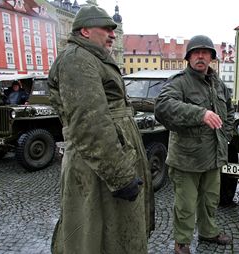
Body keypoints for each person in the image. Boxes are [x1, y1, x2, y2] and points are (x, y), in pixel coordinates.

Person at [47, 6, 153, 254]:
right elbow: (89, 124)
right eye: (105, 28)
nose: (112, 34)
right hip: (97, 169)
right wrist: (121, 177)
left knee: (114, 233)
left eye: (113, 29)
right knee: (93, 235)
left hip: (108, 162)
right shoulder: (77, 59)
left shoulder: (92, 58)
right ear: (84, 30)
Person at [155, 35, 235, 254]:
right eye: (196, 53)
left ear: (211, 57)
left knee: (210, 200)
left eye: (205, 52)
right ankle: (182, 242)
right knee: (186, 205)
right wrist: (200, 114)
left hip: (213, 155)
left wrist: (225, 135)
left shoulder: (218, 83)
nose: (201, 56)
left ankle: (209, 232)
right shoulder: (179, 81)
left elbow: (229, 110)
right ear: (189, 57)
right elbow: (162, 107)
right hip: (187, 158)